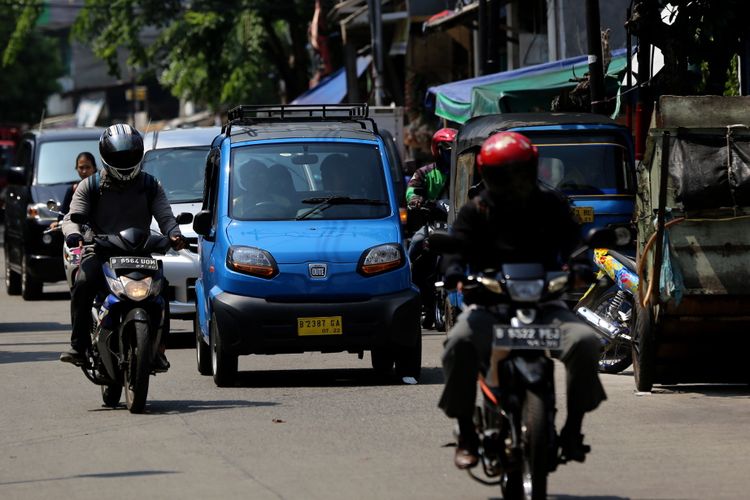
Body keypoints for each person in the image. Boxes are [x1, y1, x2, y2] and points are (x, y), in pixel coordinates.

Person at [438, 131, 606, 470]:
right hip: (490, 305)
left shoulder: (552, 205)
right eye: (504, 174)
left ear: (531, 170)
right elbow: (457, 248)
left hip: (545, 305)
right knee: (458, 343)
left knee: (586, 342)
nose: (513, 182)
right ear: (489, 176)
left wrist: (579, 267)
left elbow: (574, 242)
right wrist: (455, 272)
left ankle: (573, 429)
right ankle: (467, 432)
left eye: (519, 172)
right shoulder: (476, 210)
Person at [59, 124, 187, 369]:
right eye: (119, 156)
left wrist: (174, 234)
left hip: (139, 253)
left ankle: (159, 350)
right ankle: (79, 344)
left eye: (129, 155)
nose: (124, 161)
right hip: (100, 252)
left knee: (161, 292)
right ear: (105, 156)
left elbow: (166, 216)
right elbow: (72, 217)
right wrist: (74, 235)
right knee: (83, 283)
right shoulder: (90, 185)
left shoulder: (151, 185)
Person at [405, 127, 457, 328]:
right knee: (416, 244)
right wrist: (416, 199)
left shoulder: (466, 169)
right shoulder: (425, 172)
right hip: (432, 224)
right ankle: (414, 288)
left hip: (457, 224)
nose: (451, 152)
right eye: (447, 148)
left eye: (454, 148)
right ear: (437, 149)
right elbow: (411, 190)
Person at [49, 152, 97, 229]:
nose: (84, 171)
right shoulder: (73, 189)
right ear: (76, 168)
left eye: (87, 167)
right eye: (81, 168)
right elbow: (63, 214)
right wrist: (58, 222)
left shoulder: (101, 187)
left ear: (94, 168)